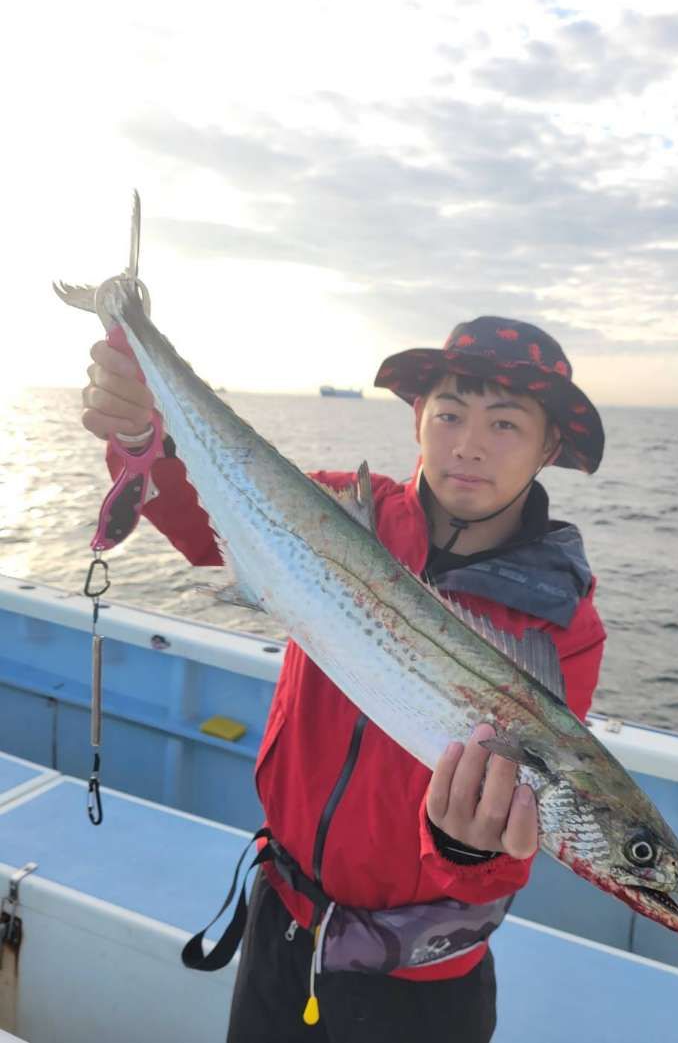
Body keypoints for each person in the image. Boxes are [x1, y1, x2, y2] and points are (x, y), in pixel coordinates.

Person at [81, 315, 606, 1043]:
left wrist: (469, 852)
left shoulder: (559, 623)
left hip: (419, 987)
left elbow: (517, 837)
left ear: (548, 447)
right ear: (418, 418)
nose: (469, 444)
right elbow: (208, 525)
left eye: (506, 423)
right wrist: (140, 438)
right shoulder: (343, 515)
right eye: (449, 413)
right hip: (282, 922)